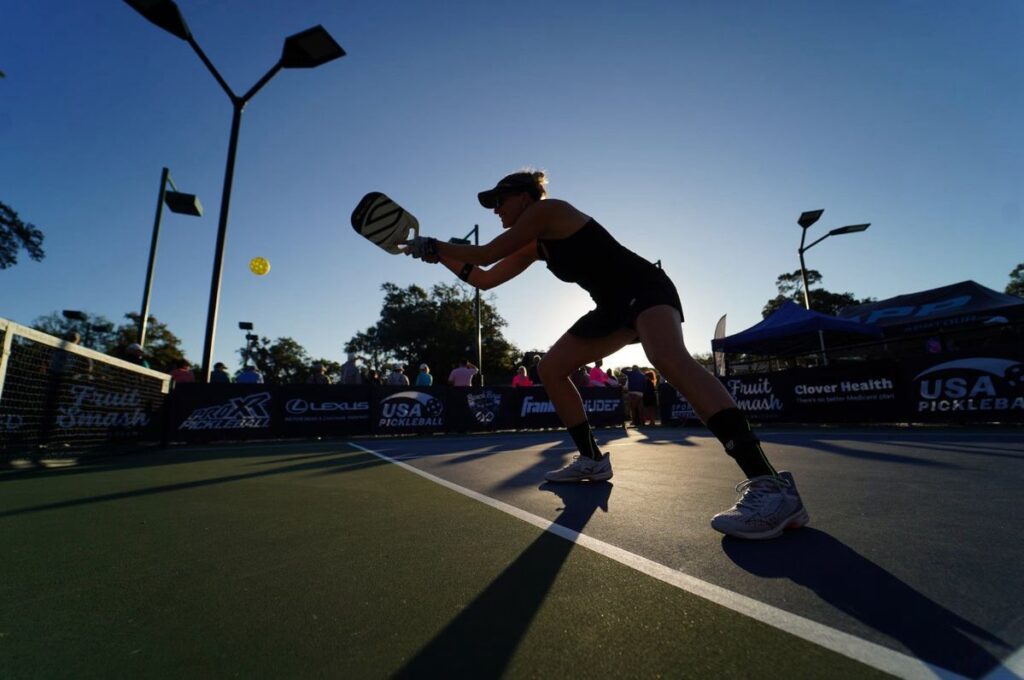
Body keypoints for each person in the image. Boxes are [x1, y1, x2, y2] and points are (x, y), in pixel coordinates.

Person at [400, 169, 807, 540]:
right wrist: (440, 257)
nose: (495, 211)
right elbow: (485, 279)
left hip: (644, 287)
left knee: (667, 358)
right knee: (551, 369)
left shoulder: (548, 211)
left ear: (524, 198)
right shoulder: (535, 245)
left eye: (499, 201)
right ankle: (592, 459)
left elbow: (487, 253)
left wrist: (434, 243)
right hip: (612, 307)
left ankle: (770, 485)